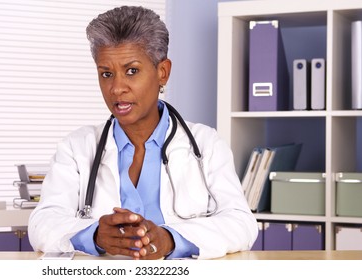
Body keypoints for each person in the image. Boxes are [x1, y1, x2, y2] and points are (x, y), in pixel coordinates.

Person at [28, 5, 258, 260]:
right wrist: (94, 236)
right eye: (106, 74)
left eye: (132, 71)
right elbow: (42, 223)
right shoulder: (77, 148)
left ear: (163, 72)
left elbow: (241, 224)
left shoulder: (206, 144)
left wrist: (171, 240)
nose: (116, 88)